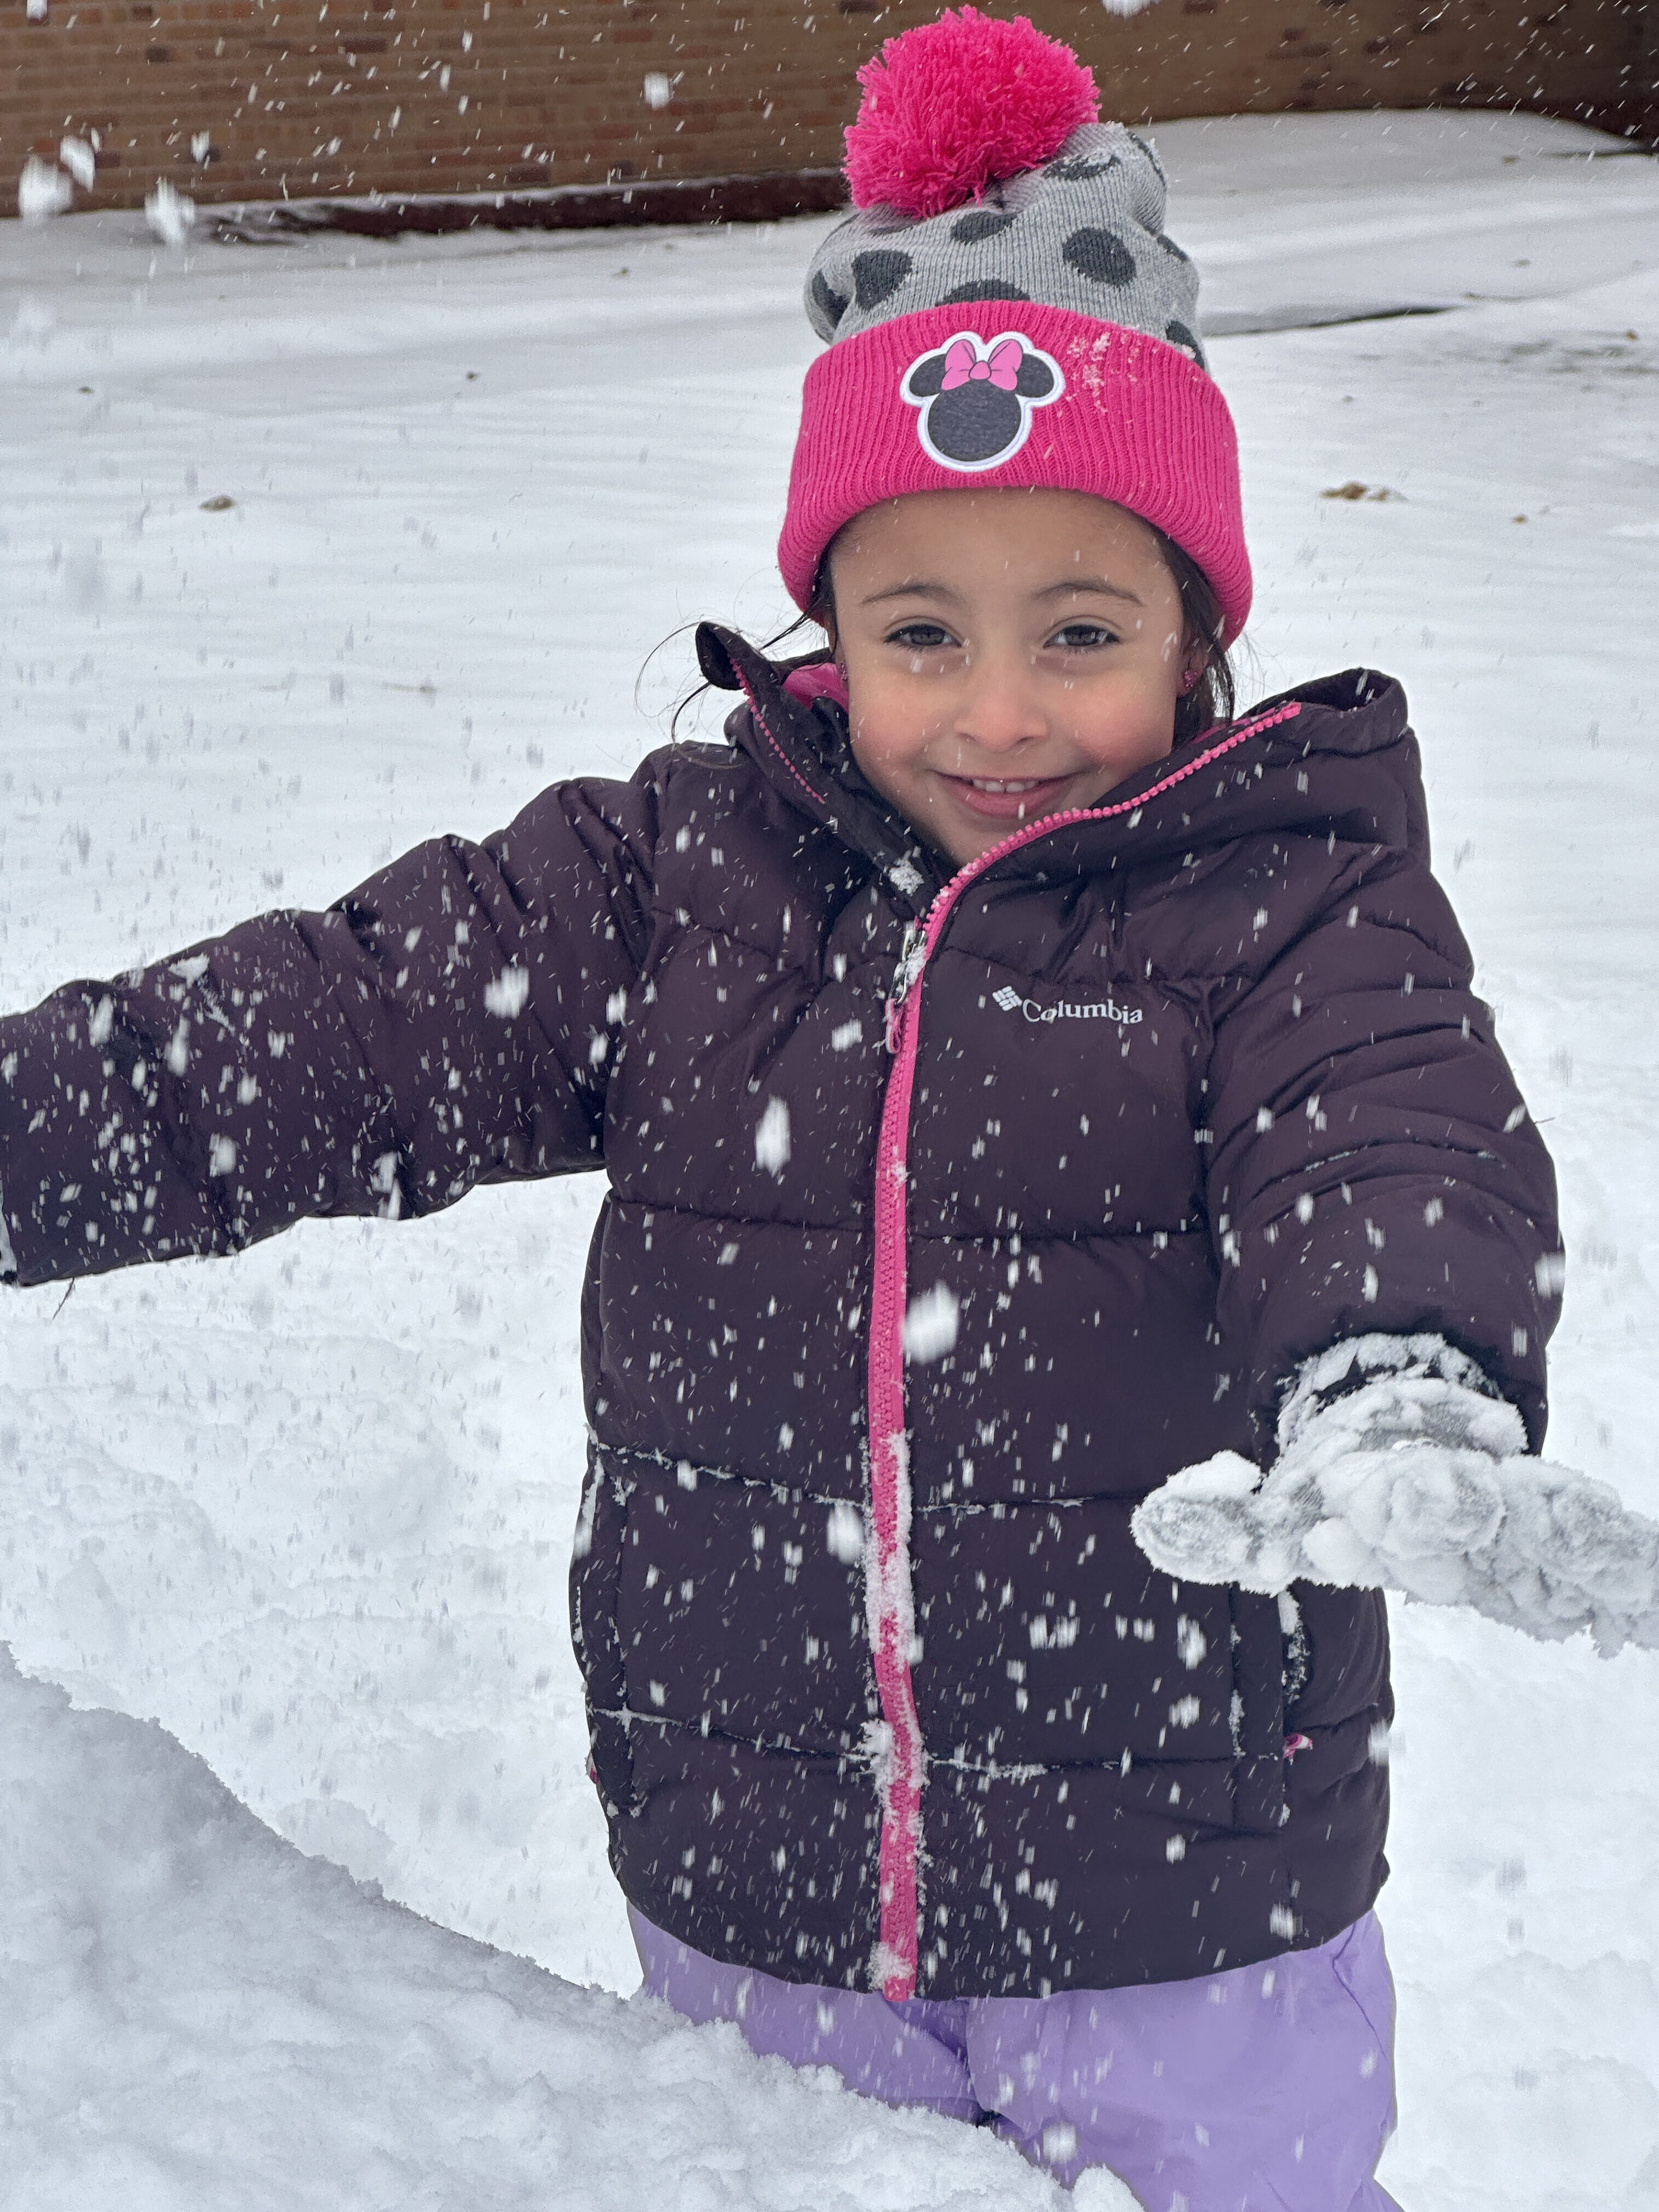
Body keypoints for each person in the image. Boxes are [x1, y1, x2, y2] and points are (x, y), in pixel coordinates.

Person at [3, 10, 1652, 2208]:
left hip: (1182, 1905)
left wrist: (1394, 1380)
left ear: (1195, 633)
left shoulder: (1285, 903)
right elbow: (339, 1026)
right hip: (761, 1888)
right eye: (920, 632)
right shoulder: (679, 883)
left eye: (1080, 630)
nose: (998, 712)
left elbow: (1385, 1129)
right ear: (827, 627)